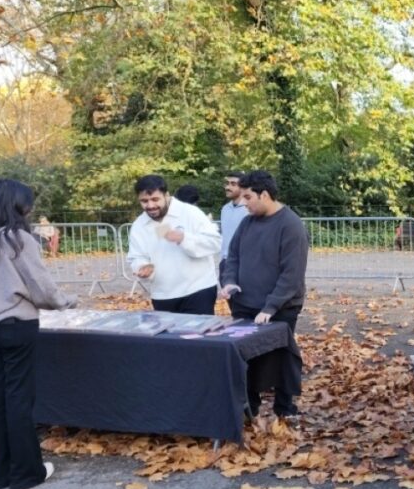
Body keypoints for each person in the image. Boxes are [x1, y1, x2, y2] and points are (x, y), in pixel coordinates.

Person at [0, 179, 77, 489]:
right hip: (15, 325)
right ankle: (27, 473)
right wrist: (64, 302)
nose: (30, 209)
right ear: (16, 205)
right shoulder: (18, 238)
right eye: (27, 203)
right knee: (19, 399)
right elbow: (40, 285)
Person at [219, 170, 308, 421]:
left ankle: (285, 408)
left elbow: (291, 274)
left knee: (281, 356)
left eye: (248, 197)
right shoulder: (247, 222)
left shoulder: (291, 225)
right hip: (244, 303)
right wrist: (229, 282)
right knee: (247, 358)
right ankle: (250, 407)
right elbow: (232, 256)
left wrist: (270, 307)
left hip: (280, 307)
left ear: (265, 194)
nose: (243, 203)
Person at [126, 175, 221, 314]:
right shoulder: (139, 225)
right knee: (169, 336)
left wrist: (184, 238)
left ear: (167, 195)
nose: (150, 205)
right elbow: (136, 256)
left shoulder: (190, 212)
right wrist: (142, 268)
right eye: (144, 201)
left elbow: (214, 243)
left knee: (197, 335)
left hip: (197, 289)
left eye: (155, 199)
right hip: (162, 294)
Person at [219, 171, 248, 277]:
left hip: (242, 262)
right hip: (225, 262)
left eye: (233, 184)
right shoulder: (225, 209)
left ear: (243, 187)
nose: (227, 187)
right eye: (227, 183)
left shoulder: (249, 209)